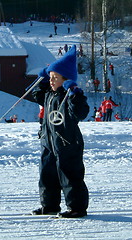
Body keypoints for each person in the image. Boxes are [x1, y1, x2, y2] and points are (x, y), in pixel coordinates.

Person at [32, 45, 89, 218]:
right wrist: (41, 80)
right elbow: (36, 94)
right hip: (49, 141)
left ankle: (76, 207)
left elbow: (81, 112)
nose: (51, 81)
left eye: (55, 77)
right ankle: (49, 205)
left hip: (68, 142)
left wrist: (75, 95)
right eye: (50, 77)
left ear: (66, 80)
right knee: (47, 173)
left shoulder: (69, 97)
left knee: (69, 174)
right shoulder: (49, 94)